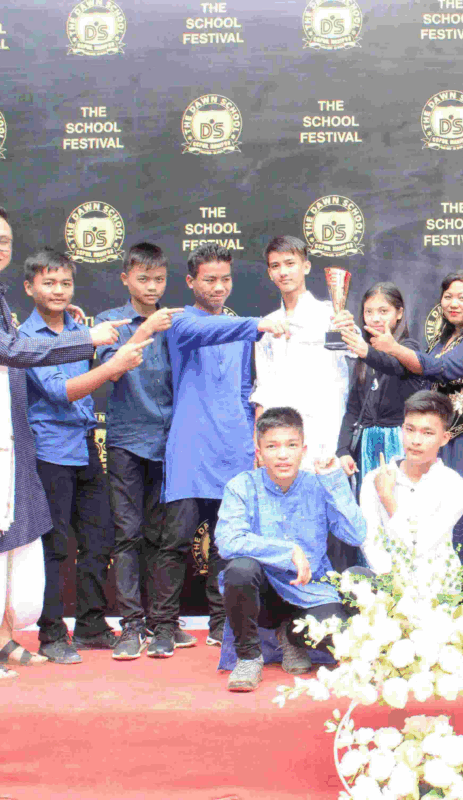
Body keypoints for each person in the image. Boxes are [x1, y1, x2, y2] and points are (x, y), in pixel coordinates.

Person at [0, 202, 127, 681]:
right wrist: (88, 339)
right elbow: (10, 350)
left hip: (12, 444)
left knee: (13, 543)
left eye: (3, 241)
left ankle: (0, 638)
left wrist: (71, 325)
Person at [18, 248, 154, 663]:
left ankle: (92, 625)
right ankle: (51, 634)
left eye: (65, 283)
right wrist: (113, 367)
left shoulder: (79, 328)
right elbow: (59, 392)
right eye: (48, 283)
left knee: (99, 539)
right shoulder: (27, 339)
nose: (58, 290)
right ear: (29, 288)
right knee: (55, 547)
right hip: (49, 451)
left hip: (84, 446)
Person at [161, 244, 290, 653]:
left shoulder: (239, 330)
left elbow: (242, 388)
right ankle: (162, 626)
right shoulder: (181, 322)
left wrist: (250, 438)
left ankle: (223, 624)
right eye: (210, 280)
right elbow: (207, 332)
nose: (219, 287)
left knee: (228, 542)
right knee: (174, 540)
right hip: (189, 445)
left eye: (226, 279)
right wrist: (258, 324)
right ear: (190, 281)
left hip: (232, 447)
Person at [95, 243, 198, 660]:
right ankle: (130, 625)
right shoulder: (110, 322)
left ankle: (161, 622)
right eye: (143, 279)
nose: (152, 286)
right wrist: (144, 330)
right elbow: (110, 369)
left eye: (158, 279)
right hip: (126, 442)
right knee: (127, 535)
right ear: (125, 279)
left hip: (170, 443)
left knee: (164, 537)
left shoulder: (177, 322)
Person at [216, 407, 366, 692]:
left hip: (310, 592)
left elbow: (356, 534)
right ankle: (248, 657)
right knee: (240, 569)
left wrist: (333, 480)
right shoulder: (241, 486)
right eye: (272, 446)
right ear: (259, 452)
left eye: (291, 445)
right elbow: (228, 540)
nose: (282, 455)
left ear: (303, 450)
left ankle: (292, 637)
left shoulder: (319, 484)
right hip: (264, 596)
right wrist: (288, 552)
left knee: (341, 633)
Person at [364, 270, 463, 551]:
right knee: (431, 520)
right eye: (448, 296)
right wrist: (369, 351)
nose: (453, 303)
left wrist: (393, 348)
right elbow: (416, 373)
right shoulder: (442, 341)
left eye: (462, 297)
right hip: (438, 442)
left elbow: (441, 368)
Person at [250, 236, 355, 465]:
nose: (283, 272)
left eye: (290, 263)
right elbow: (263, 388)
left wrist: (350, 330)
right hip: (282, 440)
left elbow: (358, 351)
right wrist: (258, 439)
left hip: (326, 432)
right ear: (269, 273)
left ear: (306, 267)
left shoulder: (331, 315)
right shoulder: (267, 325)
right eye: (275, 266)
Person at [358, 390, 463, 577]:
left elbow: (421, 545)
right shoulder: (374, 479)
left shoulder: (456, 487)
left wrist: (387, 497)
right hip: (388, 582)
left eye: (427, 433)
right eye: (410, 430)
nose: (416, 441)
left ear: (444, 438)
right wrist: (392, 581)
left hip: (439, 584)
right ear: (401, 429)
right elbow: (370, 541)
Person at [337, 282, 425, 488]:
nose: (375, 318)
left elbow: (393, 365)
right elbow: (354, 408)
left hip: (401, 443)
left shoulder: (408, 348)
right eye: (369, 311)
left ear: (399, 313)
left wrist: (366, 352)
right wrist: (343, 450)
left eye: (383, 311)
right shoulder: (364, 354)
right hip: (367, 444)